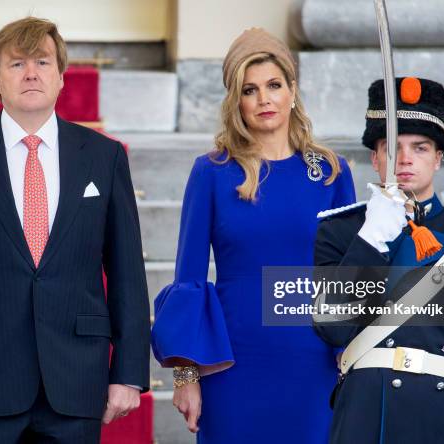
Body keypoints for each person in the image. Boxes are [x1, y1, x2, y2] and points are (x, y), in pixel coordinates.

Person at [0, 17, 150, 443]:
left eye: (42, 61)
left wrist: (128, 372)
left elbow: (127, 271)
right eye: (17, 64)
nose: (32, 73)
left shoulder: (104, 157)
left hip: (76, 380)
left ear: (61, 78)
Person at [151, 28, 356, 443]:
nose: (264, 99)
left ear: (292, 90)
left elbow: (345, 276)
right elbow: (189, 277)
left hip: (314, 363)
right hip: (234, 364)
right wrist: (186, 375)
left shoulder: (332, 172)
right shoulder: (211, 172)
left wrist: (347, 358)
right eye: (250, 90)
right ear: (236, 102)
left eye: (274, 85)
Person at [313, 77, 444, 443]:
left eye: (420, 148)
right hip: (365, 420)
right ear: (375, 158)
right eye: (392, 148)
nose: (404, 159)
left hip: (443, 421)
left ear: (439, 158)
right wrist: (373, 238)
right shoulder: (341, 233)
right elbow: (333, 327)